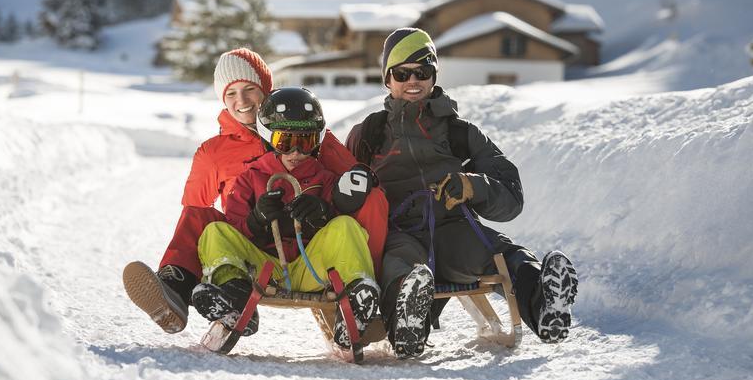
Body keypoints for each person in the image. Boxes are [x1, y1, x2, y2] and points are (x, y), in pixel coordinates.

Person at [346, 27, 578, 359]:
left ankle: (546, 306)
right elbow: (341, 187)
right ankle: (407, 325)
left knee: (500, 254)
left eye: (422, 72)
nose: (413, 80)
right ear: (388, 79)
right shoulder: (368, 133)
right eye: (402, 73)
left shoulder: (460, 133)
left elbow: (512, 197)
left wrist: (473, 185)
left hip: (452, 230)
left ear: (434, 76)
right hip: (397, 231)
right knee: (402, 266)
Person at [123, 49, 387, 335]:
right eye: (231, 94)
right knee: (203, 220)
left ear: (266, 90)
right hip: (254, 248)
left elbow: (354, 183)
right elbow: (195, 214)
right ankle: (179, 289)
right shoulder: (214, 153)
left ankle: (363, 292)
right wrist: (253, 221)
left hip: (310, 249)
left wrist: (326, 210)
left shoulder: (305, 131)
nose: (242, 101)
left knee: (367, 203)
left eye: (250, 89)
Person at [192, 88, 380, 348]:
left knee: (347, 226)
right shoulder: (251, 178)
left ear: (316, 141)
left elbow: (340, 234)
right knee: (215, 231)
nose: (294, 151)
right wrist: (256, 220)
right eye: (284, 141)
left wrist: (323, 215)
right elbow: (234, 226)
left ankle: (358, 297)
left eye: (304, 142)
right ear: (270, 139)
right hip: (262, 270)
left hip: (311, 268)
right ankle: (233, 295)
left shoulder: (324, 179)